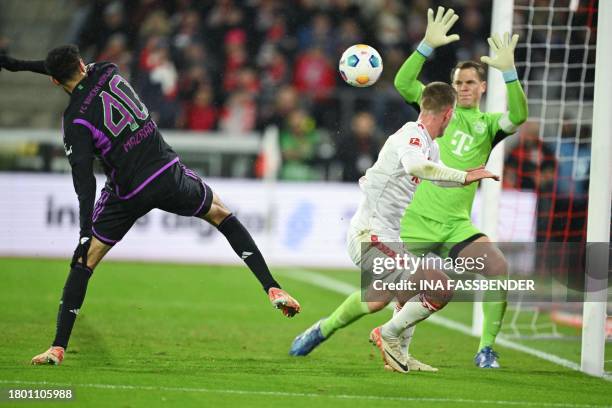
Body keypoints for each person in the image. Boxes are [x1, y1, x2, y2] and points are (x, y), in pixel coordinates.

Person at [0, 45, 301, 365]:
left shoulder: (75, 120)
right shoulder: (107, 69)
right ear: (81, 63)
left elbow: (84, 182)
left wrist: (85, 232)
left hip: (127, 192)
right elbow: (64, 68)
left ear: (55, 82)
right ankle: (272, 288)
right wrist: (16, 64)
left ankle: (58, 347)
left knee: (83, 263)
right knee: (220, 214)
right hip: (166, 174)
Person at [289, 81, 500, 373]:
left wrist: (468, 175)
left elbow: (436, 177)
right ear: (448, 114)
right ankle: (387, 334)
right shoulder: (411, 136)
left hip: (388, 236)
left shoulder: (431, 145)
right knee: (439, 287)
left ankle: (326, 331)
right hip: (370, 235)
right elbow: (416, 167)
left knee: (377, 299)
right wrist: (464, 176)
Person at [395, 7, 528, 368]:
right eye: (458, 83)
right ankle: (326, 328)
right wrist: (425, 45)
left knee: (498, 267)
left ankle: (486, 348)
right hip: (417, 220)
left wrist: (510, 72)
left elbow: (518, 117)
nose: (463, 88)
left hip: (456, 227)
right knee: (384, 296)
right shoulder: (438, 109)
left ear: (483, 87)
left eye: (470, 83)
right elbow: (404, 84)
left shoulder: (487, 124)